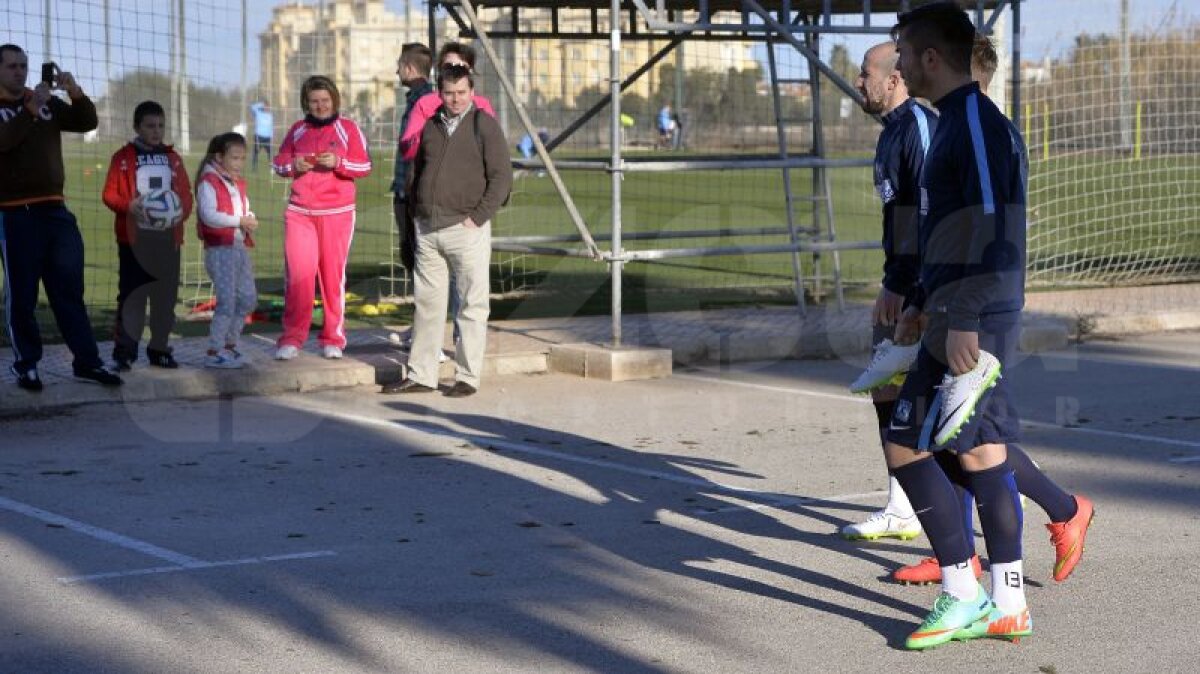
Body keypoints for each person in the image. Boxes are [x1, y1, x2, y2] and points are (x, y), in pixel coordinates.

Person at [848, 38, 1094, 590]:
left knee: (971, 437)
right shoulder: (921, 129)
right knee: (956, 433)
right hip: (938, 297)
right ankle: (966, 549)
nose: (907, 73)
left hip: (969, 307)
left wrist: (921, 295)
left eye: (879, 69)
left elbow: (972, 228)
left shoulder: (955, 131)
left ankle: (1026, 544)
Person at [842, 42, 938, 543]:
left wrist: (907, 287)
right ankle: (904, 504)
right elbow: (897, 217)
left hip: (921, 287)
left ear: (894, 79)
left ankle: (1036, 502)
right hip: (900, 281)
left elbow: (925, 216)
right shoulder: (891, 133)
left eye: (865, 74)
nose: (858, 83)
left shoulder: (918, 128)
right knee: (889, 391)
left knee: (942, 408)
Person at [381, 64, 511, 398]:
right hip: (428, 227)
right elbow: (417, 171)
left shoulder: (485, 125)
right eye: (449, 93)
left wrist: (477, 218)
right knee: (427, 305)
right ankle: (421, 375)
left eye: (461, 93)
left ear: (472, 92)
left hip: (466, 228)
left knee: (471, 304)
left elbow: (501, 178)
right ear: (440, 92)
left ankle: (467, 377)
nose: (455, 99)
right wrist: (416, 216)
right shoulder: (430, 125)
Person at [0, 44, 121, 390]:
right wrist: (29, 108)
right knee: (22, 295)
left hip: (55, 209)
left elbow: (86, 121)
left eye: (23, 66)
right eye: (11, 67)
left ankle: (87, 362)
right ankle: (27, 365)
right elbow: (5, 141)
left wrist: (74, 91)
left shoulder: (44, 101)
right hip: (15, 213)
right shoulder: (25, 104)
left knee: (68, 290)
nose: (20, 72)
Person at [271, 75, 372, 361]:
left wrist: (339, 163)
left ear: (334, 100)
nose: (320, 106)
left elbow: (364, 165)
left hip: (337, 214)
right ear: (306, 103)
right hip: (300, 213)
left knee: (332, 278)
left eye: (325, 101)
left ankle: (333, 339)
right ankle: (292, 338)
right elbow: (278, 164)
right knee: (299, 277)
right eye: (314, 101)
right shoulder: (297, 130)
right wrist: (293, 165)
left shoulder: (348, 129)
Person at [102, 100, 193, 371]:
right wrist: (128, 206)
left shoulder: (173, 158)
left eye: (160, 126)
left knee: (165, 297)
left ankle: (159, 349)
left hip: (167, 240)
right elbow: (109, 194)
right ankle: (125, 352)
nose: (156, 131)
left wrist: (179, 213)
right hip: (135, 240)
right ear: (137, 127)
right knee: (132, 297)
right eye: (150, 126)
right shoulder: (122, 157)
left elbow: (186, 195)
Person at [195, 133, 257, 368]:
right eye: (235, 158)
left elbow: (245, 209)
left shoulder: (236, 182)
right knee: (227, 301)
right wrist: (239, 221)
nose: (240, 163)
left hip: (239, 249)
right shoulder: (208, 182)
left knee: (248, 298)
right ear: (220, 157)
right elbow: (208, 215)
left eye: (242, 158)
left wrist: (249, 218)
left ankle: (231, 345)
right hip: (220, 251)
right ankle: (214, 351)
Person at [392, 43, 435, 276]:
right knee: (409, 249)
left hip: (415, 191)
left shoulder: (426, 102)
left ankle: (430, 305)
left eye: (399, 66)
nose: (396, 72)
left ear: (408, 68)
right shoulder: (414, 100)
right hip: (404, 189)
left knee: (418, 251)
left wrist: (412, 186)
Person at [249, 101, 273, 171]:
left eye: (268, 107)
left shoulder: (270, 115)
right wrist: (261, 104)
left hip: (267, 137)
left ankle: (272, 168)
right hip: (258, 136)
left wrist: (272, 136)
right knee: (256, 152)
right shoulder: (258, 113)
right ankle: (254, 168)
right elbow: (252, 107)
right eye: (265, 106)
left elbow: (271, 126)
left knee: (270, 153)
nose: (267, 108)